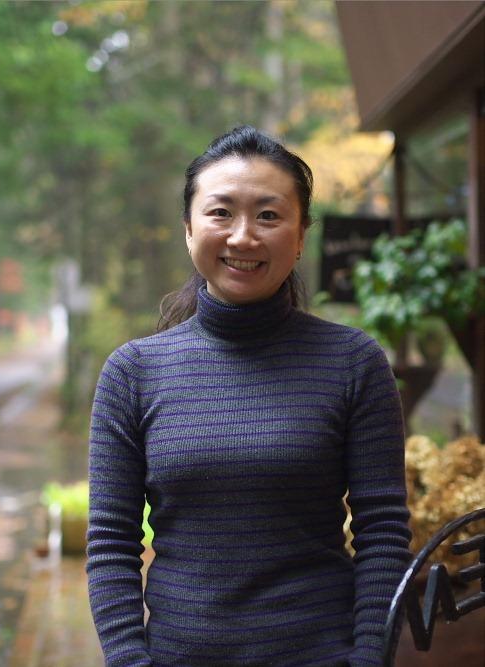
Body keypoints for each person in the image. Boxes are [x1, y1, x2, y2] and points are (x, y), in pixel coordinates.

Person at [87, 125, 412, 667]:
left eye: (268, 215)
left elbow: (382, 533)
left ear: (300, 236)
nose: (243, 237)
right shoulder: (133, 373)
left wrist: (368, 658)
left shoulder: (353, 362)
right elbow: (111, 544)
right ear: (189, 229)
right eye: (221, 213)